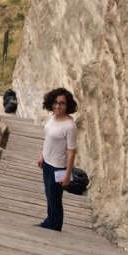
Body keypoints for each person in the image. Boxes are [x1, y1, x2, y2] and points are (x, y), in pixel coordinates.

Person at [37, 87, 78, 231]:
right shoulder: (54, 117)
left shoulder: (70, 126)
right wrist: (42, 155)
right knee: (49, 194)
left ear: (68, 105)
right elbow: (48, 138)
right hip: (47, 163)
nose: (58, 106)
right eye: (55, 102)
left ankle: (55, 226)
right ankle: (49, 221)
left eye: (62, 103)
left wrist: (67, 174)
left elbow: (72, 152)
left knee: (55, 198)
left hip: (58, 166)